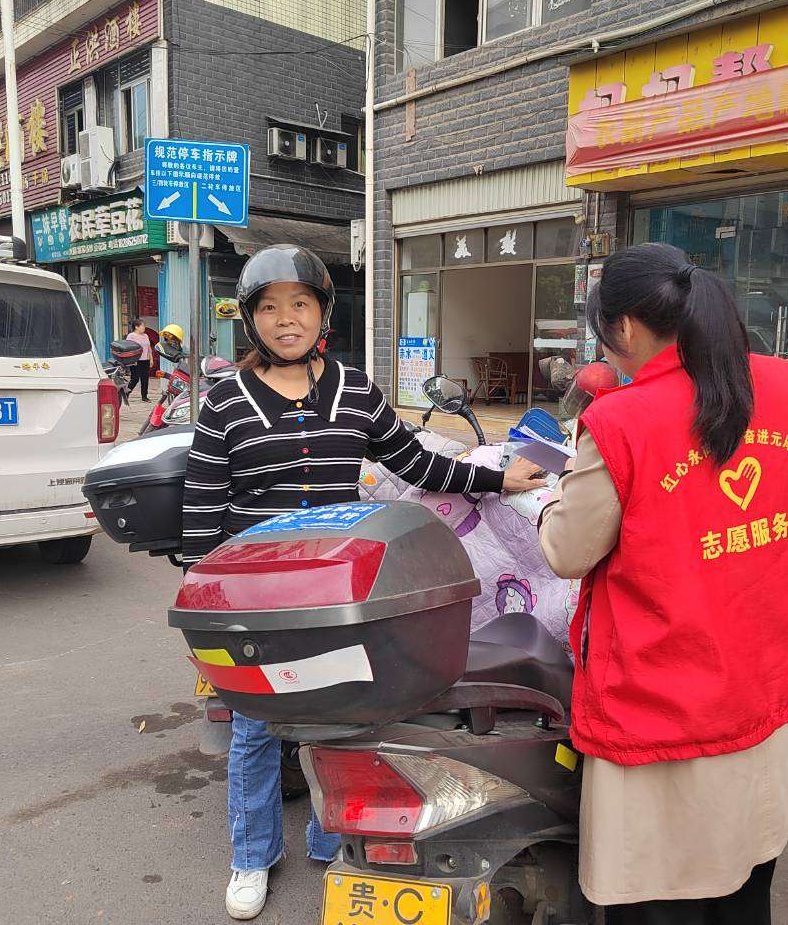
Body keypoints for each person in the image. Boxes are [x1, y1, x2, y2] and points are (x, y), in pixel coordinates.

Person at [180, 244, 542, 921]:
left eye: (300, 304)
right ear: (251, 321)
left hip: (339, 594)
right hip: (254, 601)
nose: (286, 319)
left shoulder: (355, 390)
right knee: (257, 730)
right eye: (270, 308)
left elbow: (418, 464)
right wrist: (205, 608)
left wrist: (497, 478)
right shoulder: (225, 402)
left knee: (342, 716)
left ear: (322, 313)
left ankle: (333, 842)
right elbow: (201, 512)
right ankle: (251, 856)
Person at [538, 243, 788, 925]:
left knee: (659, 901)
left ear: (626, 328)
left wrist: (549, 500)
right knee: (746, 888)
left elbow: (568, 551)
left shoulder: (620, 420)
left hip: (661, 706)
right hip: (762, 685)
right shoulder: (786, 385)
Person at [125, 319, 152, 402]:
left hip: (145, 360)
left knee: (145, 379)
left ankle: (144, 396)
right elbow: (128, 348)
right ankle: (126, 393)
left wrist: (151, 359)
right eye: (142, 326)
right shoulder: (131, 336)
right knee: (135, 378)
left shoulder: (145, 335)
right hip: (136, 361)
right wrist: (132, 359)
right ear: (136, 327)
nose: (144, 327)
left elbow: (149, 348)